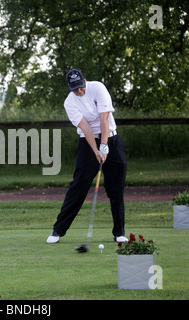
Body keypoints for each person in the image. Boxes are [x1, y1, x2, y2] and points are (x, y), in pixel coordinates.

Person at [47, 69, 128, 244]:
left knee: (116, 189)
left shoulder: (98, 88)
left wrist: (104, 146)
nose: (79, 91)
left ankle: (119, 232)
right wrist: (96, 150)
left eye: (81, 87)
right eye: (75, 89)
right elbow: (85, 127)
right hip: (87, 144)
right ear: (70, 88)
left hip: (112, 140)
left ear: (85, 80)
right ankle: (58, 230)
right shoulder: (70, 102)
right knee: (78, 187)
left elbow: (104, 119)